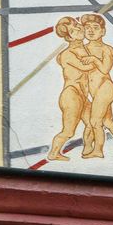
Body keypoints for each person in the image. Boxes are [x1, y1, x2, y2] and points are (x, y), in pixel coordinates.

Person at [78, 13, 113, 158]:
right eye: (87, 27)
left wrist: (94, 59)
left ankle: (98, 151)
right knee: (107, 121)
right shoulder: (82, 48)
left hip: (105, 88)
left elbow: (105, 69)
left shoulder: (106, 49)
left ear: (103, 31)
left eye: (95, 27)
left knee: (95, 121)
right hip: (94, 91)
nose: (90, 30)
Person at [46, 16, 99, 161]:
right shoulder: (67, 54)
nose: (79, 28)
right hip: (71, 95)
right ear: (69, 37)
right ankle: (53, 153)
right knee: (69, 131)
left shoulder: (85, 49)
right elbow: (85, 67)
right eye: (74, 30)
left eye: (77, 25)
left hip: (83, 95)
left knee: (93, 123)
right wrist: (99, 60)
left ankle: (88, 149)